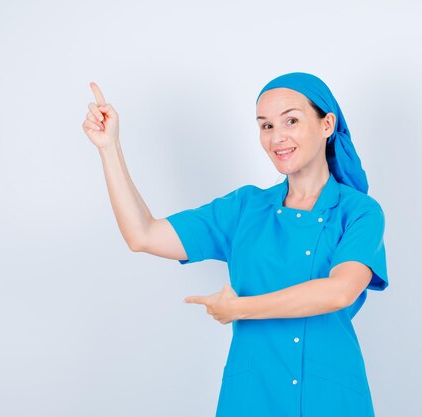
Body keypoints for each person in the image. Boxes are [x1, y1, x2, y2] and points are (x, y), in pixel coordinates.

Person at [82, 72, 389, 417]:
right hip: (252, 396)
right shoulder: (245, 208)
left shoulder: (359, 211)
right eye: (266, 126)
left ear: (327, 124)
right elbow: (143, 234)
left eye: (291, 120)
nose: (277, 137)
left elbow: (339, 292)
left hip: (329, 396)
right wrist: (110, 149)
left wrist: (240, 308)